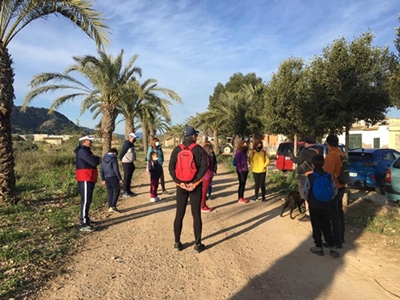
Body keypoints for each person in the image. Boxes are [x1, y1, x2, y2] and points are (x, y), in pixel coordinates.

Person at [169, 126, 208, 253]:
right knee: (196, 214)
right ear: (193, 136)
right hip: (195, 187)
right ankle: (197, 244)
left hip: (181, 187)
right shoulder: (199, 150)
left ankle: (176, 242)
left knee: (179, 213)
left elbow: (171, 168)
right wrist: (194, 183)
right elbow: (204, 168)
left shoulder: (176, 150)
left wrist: (179, 183)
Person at [304, 154, 340, 257]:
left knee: (316, 227)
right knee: (327, 226)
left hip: (314, 206)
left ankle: (318, 247)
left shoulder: (310, 177)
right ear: (323, 164)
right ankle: (332, 246)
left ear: (313, 164)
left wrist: (309, 200)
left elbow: (306, 191)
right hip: (326, 205)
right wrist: (329, 199)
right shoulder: (329, 176)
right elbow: (335, 191)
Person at [288, 136, 319, 221]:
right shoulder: (316, 152)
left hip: (304, 176)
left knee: (306, 195)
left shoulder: (305, 152)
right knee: (313, 194)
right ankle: (314, 213)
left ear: (307, 143)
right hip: (314, 175)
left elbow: (296, 160)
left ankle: (308, 214)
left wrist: (290, 154)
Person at [324, 134, 346, 246]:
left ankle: (336, 241)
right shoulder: (342, 153)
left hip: (334, 188)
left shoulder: (331, 156)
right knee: (340, 213)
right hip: (342, 186)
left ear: (328, 144)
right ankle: (341, 236)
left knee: (334, 216)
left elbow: (327, 174)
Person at [75, 135, 101, 232]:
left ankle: (86, 219)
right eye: (89, 141)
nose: (91, 142)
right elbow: (93, 161)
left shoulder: (86, 150)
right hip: (85, 177)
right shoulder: (82, 151)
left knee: (88, 199)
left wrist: (96, 159)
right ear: (84, 141)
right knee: (85, 200)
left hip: (89, 177)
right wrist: (97, 159)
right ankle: (83, 222)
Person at [100, 148, 123, 213]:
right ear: (115, 153)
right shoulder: (113, 158)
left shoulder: (103, 158)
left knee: (110, 191)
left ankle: (110, 206)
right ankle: (113, 206)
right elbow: (116, 169)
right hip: (113, 176)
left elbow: (101, 169)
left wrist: (102, 179)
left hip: (106, 177)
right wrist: (120, 178)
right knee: (117, 190)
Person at [119, 132, 137, 197]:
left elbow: (133, 153)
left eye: (135, 138)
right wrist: (120, 159)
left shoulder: (131, 144)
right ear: (130, 137)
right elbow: (122, 152)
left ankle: (129, 191)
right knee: (126, 178)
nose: (134, 139)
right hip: (126, 162)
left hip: (130, 162)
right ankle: (125, 192)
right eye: (133, 138)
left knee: (129, 178)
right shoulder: (127, 144)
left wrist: (135, 158)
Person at [201, 143, 215, 212]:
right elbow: (207, 165)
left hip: (207, 175)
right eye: (211, 149)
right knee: (204, 192)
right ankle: (202, 206)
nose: (212, 150)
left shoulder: (205, 155)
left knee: (204, 191)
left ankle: (203, 204)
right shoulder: (206, 156)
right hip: (206, 176)